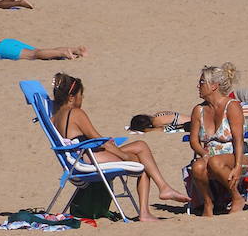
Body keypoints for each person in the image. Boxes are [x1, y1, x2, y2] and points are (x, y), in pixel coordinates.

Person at [51, 73, 190, 221]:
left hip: (80, 157)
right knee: (142, 161)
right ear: (71, 98)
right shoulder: (76, 113)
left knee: (140, 145)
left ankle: (164, 188)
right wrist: (122, 155)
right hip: (88, 158)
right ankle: (147, 209)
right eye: (80, 94)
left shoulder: (56, 116)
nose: (82, 98)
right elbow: (99, 140)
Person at [188, 62, 246, 216]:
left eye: (201, 82)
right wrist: (203, 153)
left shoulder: (232, 106)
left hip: (236, 156)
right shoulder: (198, 110)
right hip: (210, 156)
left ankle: (236, 197)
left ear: (214, 86)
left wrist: (238, 165)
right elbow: (193, 140)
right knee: (197, 167)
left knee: (215, 162)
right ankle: (208, 202)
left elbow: (238, 140)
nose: (198, 86)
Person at [0, 38, 85, 59]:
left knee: (33, 55)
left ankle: (63, 53)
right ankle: (75, 50)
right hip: (6, 42)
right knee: (38, 51)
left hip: (2, 48)